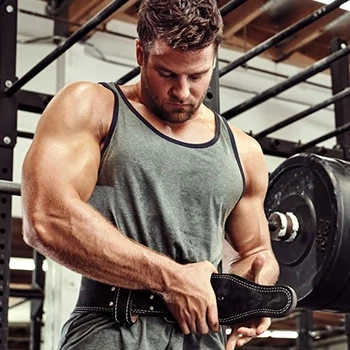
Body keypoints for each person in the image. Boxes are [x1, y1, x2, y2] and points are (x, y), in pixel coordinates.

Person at [21, 0, 280, 349]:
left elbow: (256, 252)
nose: (183, 92)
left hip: (203, 337)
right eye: (167, 73)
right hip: (113, 329)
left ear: (214, 61)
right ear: (141, 54)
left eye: (198, 75)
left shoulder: (243, 151)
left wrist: (256, 291)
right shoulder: (92, 107)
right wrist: (171, 280)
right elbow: (47, 218)